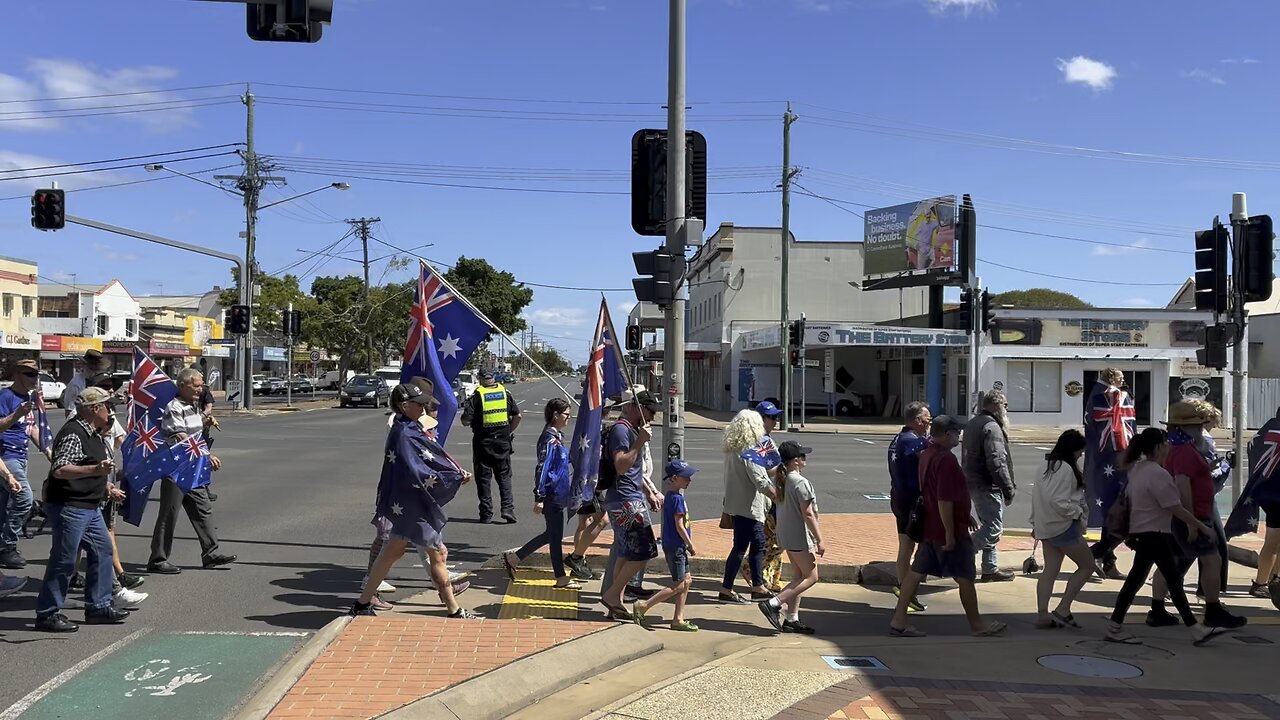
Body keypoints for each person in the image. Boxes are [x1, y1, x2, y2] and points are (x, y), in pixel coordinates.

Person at [351, 383, 479, 619]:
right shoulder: (405, 433)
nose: (423, 407)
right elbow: (419, 469)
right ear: (404, 405)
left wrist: (453, 472)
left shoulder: (407, 429)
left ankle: (362, 602)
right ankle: (454, 609)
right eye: (419, 404)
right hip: (413, 502)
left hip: (406, 501)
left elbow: (429, 457)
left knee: (393, 551)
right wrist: (452, 477)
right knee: (437, 553)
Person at [1104, 428, 1230, 646]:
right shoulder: (1157, 474)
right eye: (1166, 443)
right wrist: (1201, 526)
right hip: (1155, 534)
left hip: (1143, 533)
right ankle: (1196, 629)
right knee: (1171, 581)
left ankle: (1116, 626)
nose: (1170, 446)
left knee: (1139, 581)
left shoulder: (1138, 469)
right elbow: (1176, 507)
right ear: (1160, 446)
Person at [890, 415, 1005, 638]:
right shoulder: (946, 460)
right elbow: (944, 499)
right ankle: (977, 625)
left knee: (914, 574)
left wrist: (965, 515)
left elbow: (935, 493)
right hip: (946, 531)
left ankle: (899, 620)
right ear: (946, 435)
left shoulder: (927, 453)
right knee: (965, 577)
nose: (959, 436)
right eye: (956, 432)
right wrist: (951, 534)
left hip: (930, 527)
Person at [35, 387, 129, 632]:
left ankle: (98, 607)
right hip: (70, 505)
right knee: (64, 560)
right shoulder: (73, 433)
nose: (111, 411)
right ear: (94, 409)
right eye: (107, 406)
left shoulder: (94, 433)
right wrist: (95, 471)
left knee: (103, 549)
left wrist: (106, 485)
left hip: (89, 505)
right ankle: (47, 613)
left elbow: (91, 466)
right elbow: (60, 468)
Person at [1147, 401, 1245, 629]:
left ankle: (1157, 609)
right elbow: (1183, 486)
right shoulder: (1186, 452)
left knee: (1169, 563)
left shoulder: (1176, 448)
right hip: (1194, 517)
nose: (1205, 429)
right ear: (1189, 427)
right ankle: (1212, 610)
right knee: (1212, 560)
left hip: (1180, 516)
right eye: (1201, 425)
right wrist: (1193, 524)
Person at [148, 368, 233, 574]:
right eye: (196, 386)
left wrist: (205, 421)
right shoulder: (174, 407)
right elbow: (181, 437)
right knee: (169, 514)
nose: (200, 389)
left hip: (194, 468)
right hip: (177, 468)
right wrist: (206, 455)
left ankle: (210, 553)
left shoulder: (193, 406)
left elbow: (194, 431)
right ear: (182, 385)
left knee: (203, 510)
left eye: (201, 385)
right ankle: (158, 559)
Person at [503, 398, 582, 590]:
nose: (569, 418)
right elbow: (543, 468)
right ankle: (561, 577)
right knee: (555, 537)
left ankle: (515, 558)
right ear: (555, 415)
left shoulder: (557, 437)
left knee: (551, 536)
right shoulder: (549, 439)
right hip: (551, 495)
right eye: (566, 414)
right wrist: (539, 496)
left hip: (558, 494)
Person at [597, 389, 662, 621]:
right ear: (636, 408)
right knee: (645, 550)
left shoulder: (630, 430)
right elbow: (622, 466)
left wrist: (649, 491)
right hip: (626, 501)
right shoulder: (622, 430)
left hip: (628, 497)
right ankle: (613, 594)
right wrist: (639, 442)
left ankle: (615, 601)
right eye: (650, 411)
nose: (653, 416)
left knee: (625, 553)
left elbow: (636, 472)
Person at [1030, 429, 1098, 629]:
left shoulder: (1044, 465)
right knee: (1087, 566)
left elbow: (1039, 497)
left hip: (1045, 526)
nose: (1081, 455)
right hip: (1063, 527)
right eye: (1080, 451)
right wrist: (1076, 513)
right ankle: (1063, 608)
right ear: (1072, 450)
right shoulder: (1066, 469)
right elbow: (1058, 501)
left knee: (1049, 571)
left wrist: (1035, 522)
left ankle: (1043, 613)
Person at [759, 441, 825, 635]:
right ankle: (774, 603)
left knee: (798, 576)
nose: (805, 459)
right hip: (799, 536)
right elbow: (808, 514)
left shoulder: (783, 480)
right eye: (803, 456)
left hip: (786, 534)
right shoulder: (800, 482)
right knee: (812, 577)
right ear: (796, 461)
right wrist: (820, 539)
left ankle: (792, 618)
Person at [717, 408, 779, 604]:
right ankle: (744, 587)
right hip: (750, 507)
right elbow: (760, 480)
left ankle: (746, 587)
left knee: (743, 546)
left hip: (736, 505)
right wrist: (779, 497)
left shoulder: (733, 449)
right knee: (755, 545)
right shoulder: (749, 451)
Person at [632, 460, 699, 632]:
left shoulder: (671, 496)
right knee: (678, 585)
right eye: (686, 478)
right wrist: (690, 544)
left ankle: (678, 618)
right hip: (677, 545)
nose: (689, 481)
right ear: (675, 478)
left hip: (676, 545)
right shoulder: (676, 499)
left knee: (687, 581)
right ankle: (644, 605)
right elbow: (679, 525)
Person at [1086, 368, 1137, 580]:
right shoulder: (1107, 398)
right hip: (1111, 462)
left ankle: (1107, 562)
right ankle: (1094, 556)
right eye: (1120, 378)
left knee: (1114, 515)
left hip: (1115, 462)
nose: (1124, 381)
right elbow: (1115, 426)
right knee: (1117, 514)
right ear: (1111, 379)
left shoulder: (1106, 397)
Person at [962, 390, 1015, 582]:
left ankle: (989, 569)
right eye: (1005, 405)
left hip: (974, 481)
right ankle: (963, 552)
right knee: (993, 527)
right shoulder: (991, 426)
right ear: (995, 405)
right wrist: (1007, 487)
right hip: (987, 483)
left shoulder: (974, 423)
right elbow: (997, 460)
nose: (1007, 409)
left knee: (988, 524)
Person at [461, 369, 521, 524]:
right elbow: (517, 416)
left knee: (483, 478)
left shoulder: (477, 395)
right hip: (503, 442)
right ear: (494, 378)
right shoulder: (505, 393)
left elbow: (466, 421)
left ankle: (486, 513)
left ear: (480, 379)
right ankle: (508, 509)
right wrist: (508, 431)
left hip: (483, 442)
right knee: (504, 476)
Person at [888, 401, 931, 612]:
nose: (929, 424)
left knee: (905, 547)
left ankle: (905, 590)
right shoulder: (914, 442)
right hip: (912, 502)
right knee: (919, 546)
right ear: (917, 420)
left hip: (898, 498)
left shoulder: (897, 439)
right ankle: (907, 591)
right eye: (927, 420)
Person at [0, 360, 42, 571]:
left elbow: (31, 427)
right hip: (6, 456)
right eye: (29, 374)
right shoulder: (6, 397)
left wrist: (47, 449)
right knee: (25, 499)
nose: (34, 379)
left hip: (21, 456)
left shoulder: (27, 398)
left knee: (4, 504)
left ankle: (3, 546)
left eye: (35, 375)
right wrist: (17, 414)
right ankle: (7, 545)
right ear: (17, 374)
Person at [750, 401, 786, 594]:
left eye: (776, 417)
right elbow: (765, 470)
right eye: (772, 417)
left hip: (772, 495)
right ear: (761, 419)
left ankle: (772, 577)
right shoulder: (757, 441)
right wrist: (781, 466)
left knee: (777, 539)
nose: (775, 421)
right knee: (768, 540)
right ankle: (756, 572)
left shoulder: (767, 439)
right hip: (766, 496)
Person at [63, 349, 107, 419]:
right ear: (84, 365)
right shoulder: (75, 384)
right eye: (92, 368)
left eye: (97, 369)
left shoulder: (98, 380)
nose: (94, 372)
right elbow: (69, 410)